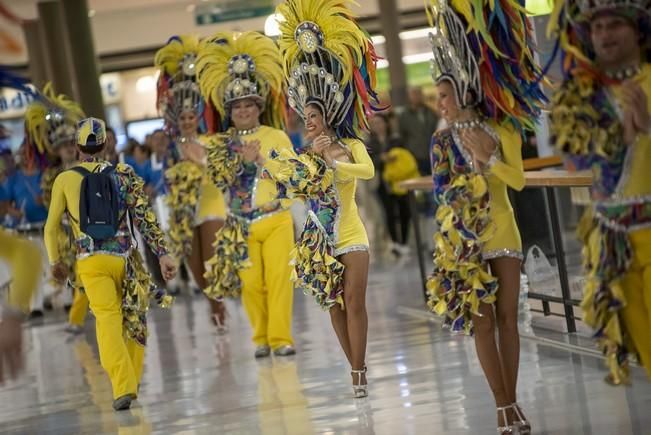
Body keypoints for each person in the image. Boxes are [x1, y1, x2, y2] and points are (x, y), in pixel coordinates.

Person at [424, 0, 546, 432]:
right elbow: (441, 197)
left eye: (444, 95)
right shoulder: (439, 144)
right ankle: (501, 407)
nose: (439, 104)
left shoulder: (505, 129)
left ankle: (514, 400)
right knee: (483, 322)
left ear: (463, 88)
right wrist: (468, 175)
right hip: (464, 240)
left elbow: (517, 183)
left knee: (510, 320)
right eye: (436, 97)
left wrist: (489, 160)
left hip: (504, 229)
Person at [262, 0, 381, 397]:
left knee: (354, 300)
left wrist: (337, 163)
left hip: (350, 230)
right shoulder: (305, 156)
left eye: (313, 117)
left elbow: (368, 172)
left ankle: (360, 369)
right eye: (304, 118)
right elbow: (290, 185)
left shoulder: (349, 144)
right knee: (335, 306)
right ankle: (355, 369)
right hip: (317, 240)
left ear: (328, 114)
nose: (307, 122)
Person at [548, 0, 651, 384]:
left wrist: (647, 124)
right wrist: (622, 135)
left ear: (638, 30)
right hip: (613, 243)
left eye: (615, 25)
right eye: (598, 27)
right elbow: (574, 158)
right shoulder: (580, 96)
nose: (605, 34)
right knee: (643, 344)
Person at [44, 117, 177, 410]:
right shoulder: (124, 174)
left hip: (90, 262)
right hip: (128, 260)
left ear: (77, 147)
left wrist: (55, 260)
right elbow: (145, 219)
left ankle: (122, 385)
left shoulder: (64, 180)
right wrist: (163, 253)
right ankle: (133, 379)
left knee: (107, 321)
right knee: (136, 321)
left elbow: (51, 227)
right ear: (105, 144)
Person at [197, 31, 296, 357]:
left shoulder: (277, 136)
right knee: (252, 284)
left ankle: (281, 338)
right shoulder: (222, 143)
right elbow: (216, 180)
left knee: (280, 279)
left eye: (248, 105)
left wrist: (261, 161)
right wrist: (239, 160)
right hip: (240, 224)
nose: (242, 111)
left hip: (276, 218)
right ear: (230, 110)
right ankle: (261, 339)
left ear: (258, 107)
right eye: (236, 106)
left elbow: (291, 176)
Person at [155, 35, 228, 331]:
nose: (186, 120)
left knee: (211, 260)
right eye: (182, 116)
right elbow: (166, 178)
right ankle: (214, 305)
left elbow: (221, 171)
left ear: (196, 116)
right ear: (176, 118)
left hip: (210, 202)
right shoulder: (172, 147)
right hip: (184, 210)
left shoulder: (209, 141)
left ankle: (218, 307)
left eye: (190, 115)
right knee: (195, 266)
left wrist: (200, 164)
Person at [368, 113, 417, 257]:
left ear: (386, 124)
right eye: (375, 123)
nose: (378, 126)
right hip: (382, 183)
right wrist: (381, 159)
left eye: (380, 122)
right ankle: (395, 243)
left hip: (400, 181)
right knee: (389, 212)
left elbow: (406, 156)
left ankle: (404, 243)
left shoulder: (396, 140)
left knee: (404, 211)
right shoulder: (370, 144)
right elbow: (369, 163)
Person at [398, 87, 439, 175]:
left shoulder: (431, 112)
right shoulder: (404, 115)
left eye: (419, 94)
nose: (417, 96)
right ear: (409, 97)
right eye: (414, 94)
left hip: (432, 152)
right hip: (415, 154)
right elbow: (402, 135)